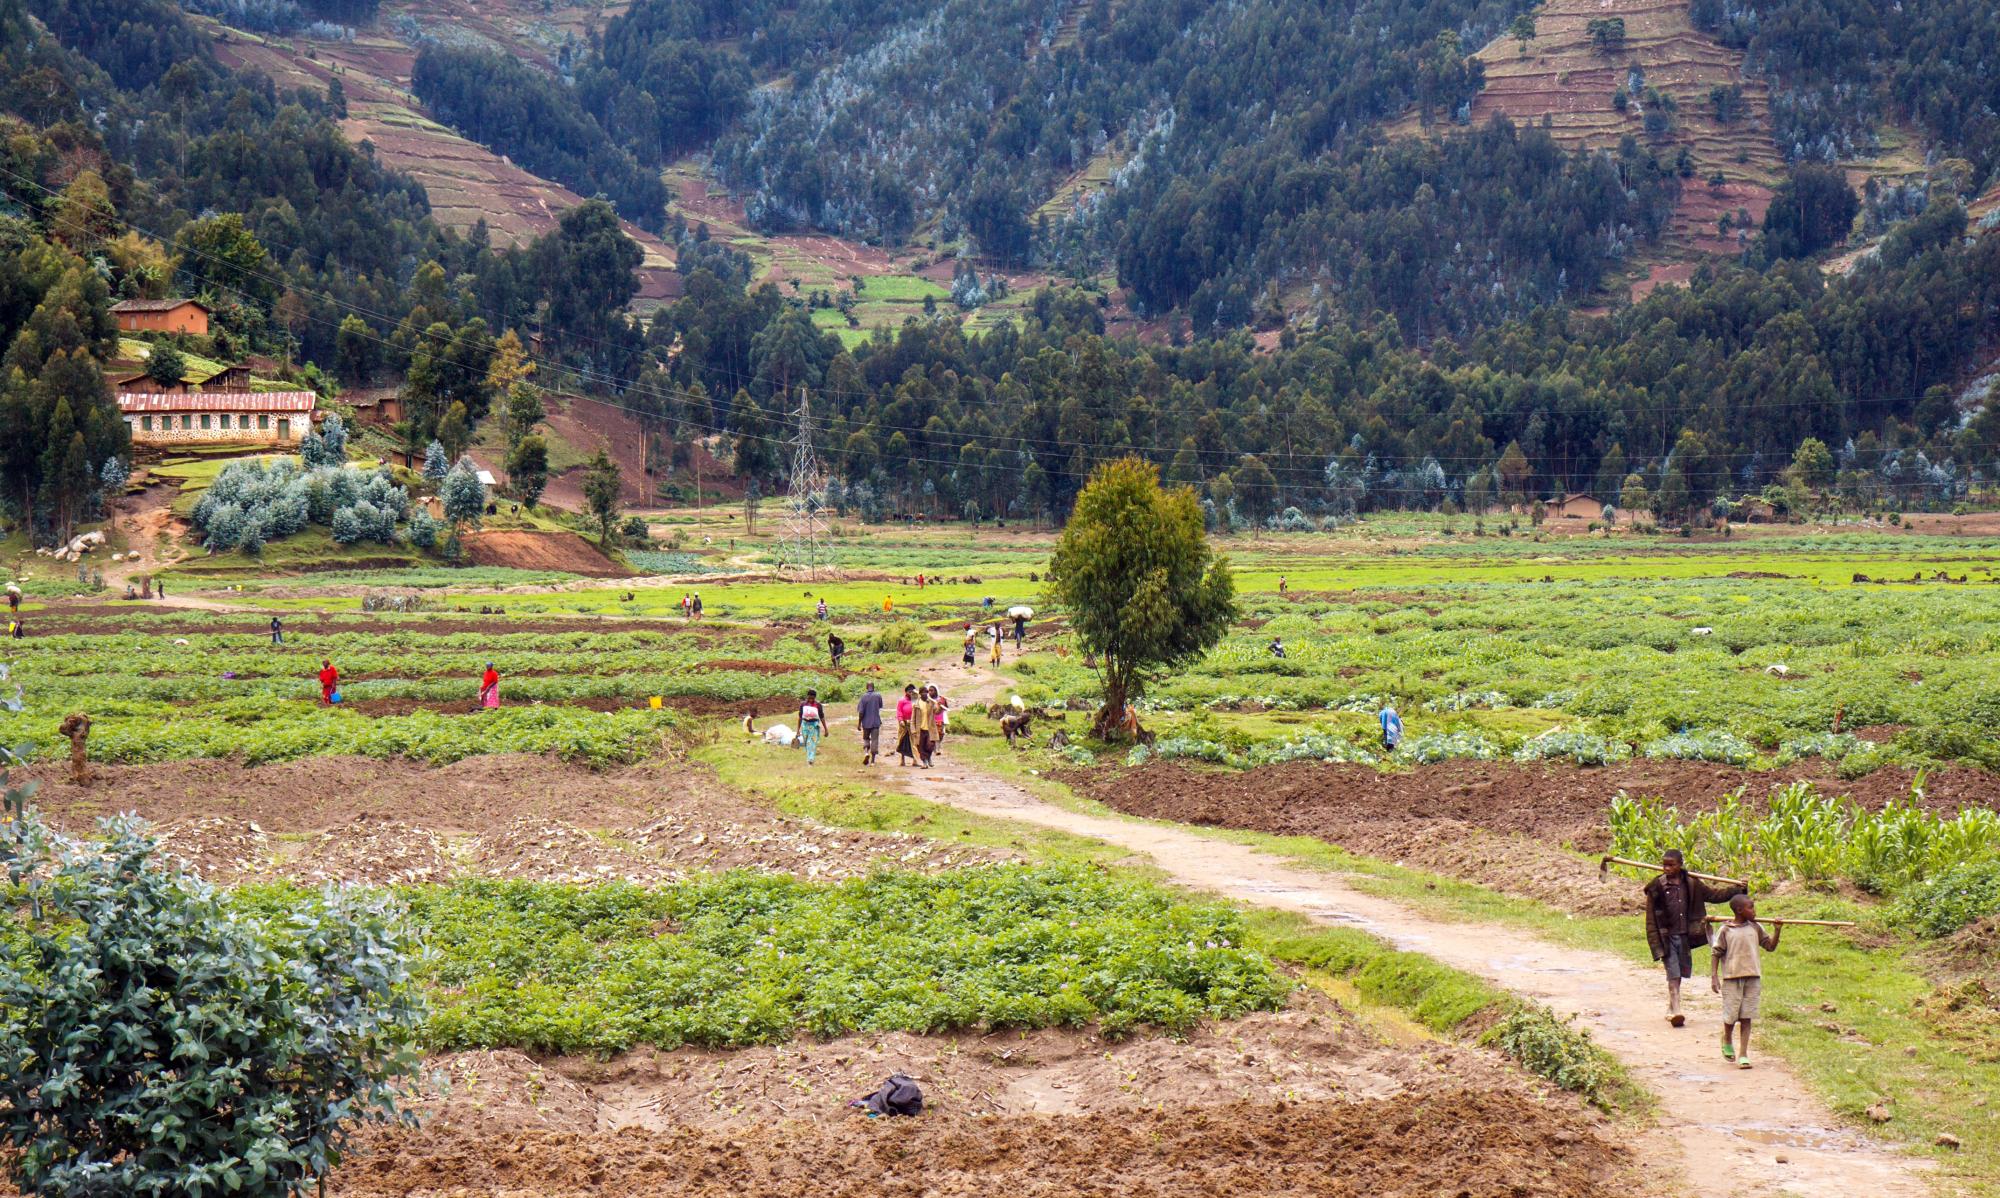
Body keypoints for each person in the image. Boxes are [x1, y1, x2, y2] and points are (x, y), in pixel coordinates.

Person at [1645, 849, 1747, 1027]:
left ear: (1680, 865)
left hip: (1685, 936)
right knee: (1673, 972)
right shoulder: (1657, 887)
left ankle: (1671, 1007)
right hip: (1666, 936)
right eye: (1664, 865)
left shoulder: (1692, 884)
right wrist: (1654, 941)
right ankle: (1677, 1010)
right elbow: (1650, 919)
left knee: (1681, 972)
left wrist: (1738, 889)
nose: (1667, 868)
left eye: (1671, 865)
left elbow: (1714, 896)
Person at [1711, 893, 1781, 1068]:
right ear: (1739, 910)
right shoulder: (1726, 930)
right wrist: (1714, 976)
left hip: (1753, 977)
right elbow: (1716, 953)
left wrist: (1777, 930)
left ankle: (1743, 1053)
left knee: (1747, 1016)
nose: (1754, 911)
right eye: (1751, 907)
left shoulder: (1756, 927)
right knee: (1731, 1016)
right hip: (1731, 978)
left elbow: (1770, 947)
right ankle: (1727, 1038)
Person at [857, 681, 884, 765]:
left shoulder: (863, 697)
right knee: (875, 740)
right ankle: (872, 761)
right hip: (876, 722)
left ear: (866, 687)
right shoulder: (878, 696)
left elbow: (861, 712)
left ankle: (866, 753)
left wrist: (859, 723)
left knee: (866, 738)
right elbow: (880, 706)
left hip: (866, 722)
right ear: (873, 687)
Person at [798, 689, 825, 765]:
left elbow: (822, 717)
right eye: (809, 698)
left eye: (812, 698)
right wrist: (797, 730)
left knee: (812, 742)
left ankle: (811, 759)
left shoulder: (818, 705)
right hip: (805, 725)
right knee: (806, 742)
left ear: (815, 698)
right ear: (807, 696)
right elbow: (800, 717)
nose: (811, 700)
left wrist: (826, 729)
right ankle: (809, 757)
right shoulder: (803, 704)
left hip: (814, 725)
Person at [914, 687, 935, 768]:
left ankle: (929, 757)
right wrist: (913, 729)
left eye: (926, 692)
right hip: (920, 729)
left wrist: (940, 706)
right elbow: (913, 718)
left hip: (929, 728)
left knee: (930, 745)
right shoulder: (917, 704)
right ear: (920, 694)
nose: (925, 694)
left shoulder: (930, 703)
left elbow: (936, 711)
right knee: (920, 747)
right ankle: (925, 762)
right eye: (923, 692)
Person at [896, 685, 917, 766]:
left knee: (914, 741)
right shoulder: (902, 701)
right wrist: (901, 720)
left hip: (913, 723)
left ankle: (915, 760)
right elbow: (899, 711)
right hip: (904, 724)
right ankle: (902, 760)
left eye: (912, 692)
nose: (911, 693)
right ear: (906, 692)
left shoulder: (915, 700)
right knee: (902, 741)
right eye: (909, 691)